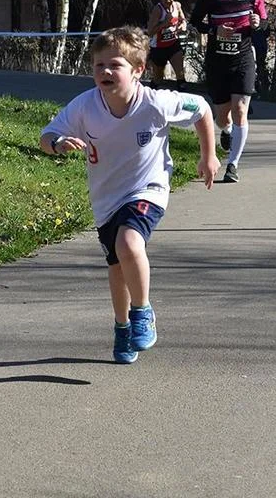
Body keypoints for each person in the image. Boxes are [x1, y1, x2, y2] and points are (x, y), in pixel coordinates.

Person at [39, 26, 219, 364]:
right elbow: (47, 135)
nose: (105, 71)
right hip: (106, 200)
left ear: (137, 70)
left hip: (148, 189)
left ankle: (143, 312)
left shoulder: (156, 102)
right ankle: (122, 327)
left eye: (115, 65)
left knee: (129, 243)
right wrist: (59, 143)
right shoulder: (85, 106)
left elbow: (202, 110)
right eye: (99, 65)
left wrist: (208, 156)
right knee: (117, 266)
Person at [189, 0, 267, 184]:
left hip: (243, 59)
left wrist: (258, 23)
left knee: (240, 110)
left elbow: (265, 23)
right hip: (217, 62)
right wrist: (215, 30)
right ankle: (227, 130)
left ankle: (233, 165)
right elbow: (195, 22)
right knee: (222, 117)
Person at [146, 0, 188, 87]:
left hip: (173, 43)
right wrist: (164, 24)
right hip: (159, 47)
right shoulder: (158, 10)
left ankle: (182, 88)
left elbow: (183, 19)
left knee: (180, 74)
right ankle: (152, 90)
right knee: (158, 79)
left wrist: (183, 25)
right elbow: (150, 32)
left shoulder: (177, 6)